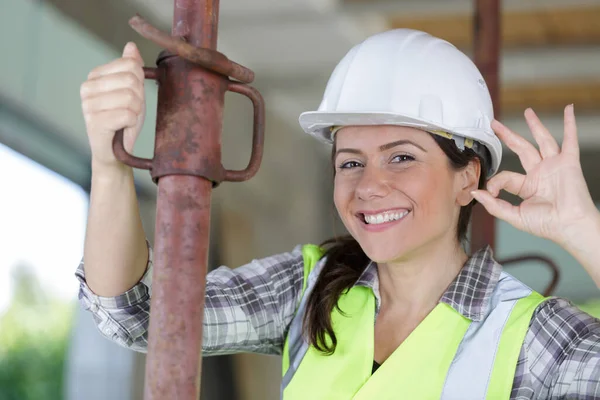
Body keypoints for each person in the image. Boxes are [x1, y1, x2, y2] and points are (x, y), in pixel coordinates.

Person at [76, 29, 600, 398]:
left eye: (401, 157)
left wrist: (584, 230)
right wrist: (108, 162)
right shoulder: (309, 288)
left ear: (467, 178)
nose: (370, 186)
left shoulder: (531, 337)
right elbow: (137, 315)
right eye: (351, 162)